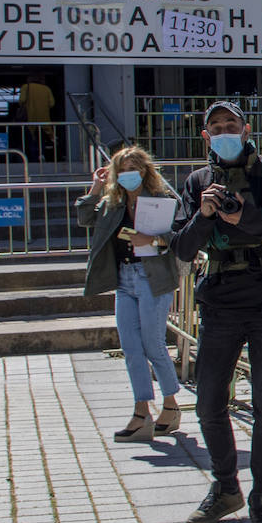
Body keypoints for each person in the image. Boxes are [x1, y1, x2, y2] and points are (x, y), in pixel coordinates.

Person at [171, 100, 262, 523]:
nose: (224, 130)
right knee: (209, 400)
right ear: (205, 137)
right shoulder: (198, 181)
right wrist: (206, 213)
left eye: (231, 124)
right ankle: (226, 486)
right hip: (222, 305)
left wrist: (244, 217)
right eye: (215, 126)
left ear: (247, 129)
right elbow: (180, 247)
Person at [76, 145, 185, 443]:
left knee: (153, 344)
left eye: (134, 169)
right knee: (131, 348)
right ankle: (141, 413)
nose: (128, 175)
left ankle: (171, 405)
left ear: (145, 171)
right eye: (122, 170)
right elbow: (85, 217)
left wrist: (151, 239)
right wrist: (96, 188)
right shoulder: (113, 204)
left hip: (154, 278)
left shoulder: (162, 200)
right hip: (124, 278)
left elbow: (180, 237)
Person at [19, 73, 56, 162]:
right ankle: (41, 154)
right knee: (41, 138)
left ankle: (32, 158)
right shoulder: (46, 89)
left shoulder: (26, 87)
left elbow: (22, 100)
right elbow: (52, 103)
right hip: (44, 118)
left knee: (30, 138)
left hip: (30, 117)